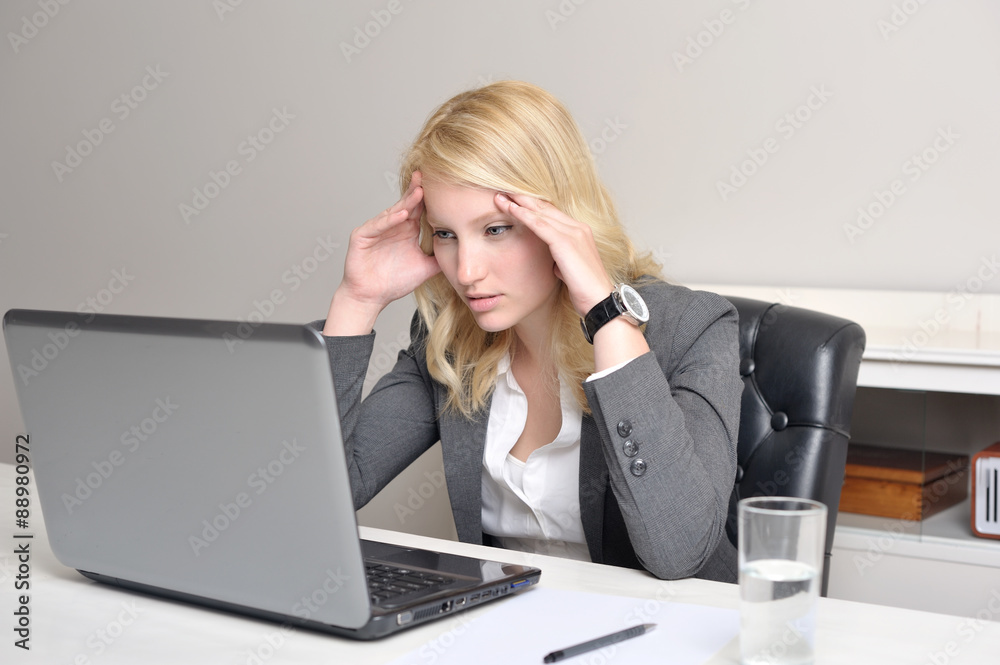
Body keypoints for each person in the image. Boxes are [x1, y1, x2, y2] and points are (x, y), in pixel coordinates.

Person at [316, 80, 742, 582]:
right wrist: (356, 301)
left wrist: (605, 315)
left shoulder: (691, 328)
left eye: (496, 229)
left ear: (559, 218)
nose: (467, 271)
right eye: (446, 234)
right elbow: (319, 498)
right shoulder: (451, 341)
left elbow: (681, 551)